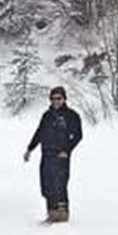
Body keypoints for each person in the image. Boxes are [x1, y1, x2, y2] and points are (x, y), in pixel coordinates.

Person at [23, 86, 83, 222]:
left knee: (60, 184)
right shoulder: (47, 115)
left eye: (58, 98)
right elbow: (39, 133)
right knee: (47, 185)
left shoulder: (71, 115)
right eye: (53, 98)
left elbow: (78, 135)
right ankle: (52, 213)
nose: (55, 101)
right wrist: (30, 149)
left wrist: (67, 150)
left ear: (64, 99)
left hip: (61, 156)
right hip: (46, 154)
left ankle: (62, 216)